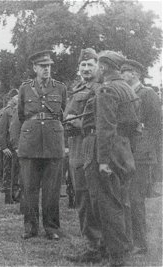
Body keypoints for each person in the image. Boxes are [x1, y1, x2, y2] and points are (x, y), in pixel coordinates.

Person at [83, 51, 139, 266]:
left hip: (109, 150)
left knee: (108, 204)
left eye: (96, 65)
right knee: (121, 201)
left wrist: (103, 160)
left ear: (103, 67)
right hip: (123, 149)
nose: (94, 69)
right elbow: (134, 125)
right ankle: (121, 249)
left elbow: (106, 127)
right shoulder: (125, 87)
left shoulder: (107, 89)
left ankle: (117, 256)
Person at [17, 50, 67, 240]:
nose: (47, 69)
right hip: (30, 143)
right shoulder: (25, 88)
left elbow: (63, 114)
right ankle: (30, 227)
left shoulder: (60, 88)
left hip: (53, 143)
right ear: (34, 68)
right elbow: (21, 115)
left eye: (49, 66)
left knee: (52, 189)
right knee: (29, 187)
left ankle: (52, 228)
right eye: (43, 66)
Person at [64, 48, 104, 263]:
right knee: (81, 194)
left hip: (91, 146)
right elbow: (66, 115)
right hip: (76, 147)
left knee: (92, 195)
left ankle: (96, 244)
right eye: (83, 65)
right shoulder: (77, 88)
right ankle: (92, 242)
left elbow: (98, 121)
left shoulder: (101, 88)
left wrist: (75, 122)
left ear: (98, 66)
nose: (86, 69)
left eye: (90, 64)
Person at [121, 59, 162, 255]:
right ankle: (129, 239)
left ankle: (140, 242)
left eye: (125, 72)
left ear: (135, 74)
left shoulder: (147, 94)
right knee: (126, 197)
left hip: (141, 155)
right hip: (127, 152)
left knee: (135, 198)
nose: (122, 75)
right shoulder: (127, 94)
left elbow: (155, 127)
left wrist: (147, 150)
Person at [0, 91, 19, 204]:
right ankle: (8, 197)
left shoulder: (24, 111)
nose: (18, 98)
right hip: (9, 147)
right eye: (16, 97)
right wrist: (4, 147)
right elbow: (1, 131)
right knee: (8, 171)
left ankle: (17, 194)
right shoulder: (7, 111)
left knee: (19, 172)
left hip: (20, 147)